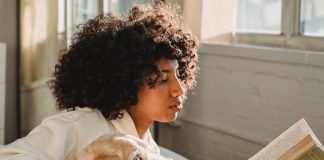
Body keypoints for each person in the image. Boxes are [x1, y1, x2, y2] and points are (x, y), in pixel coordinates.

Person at [0, 0, 199, 159]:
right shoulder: (81, 125)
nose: (179, 90)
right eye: (162, 79)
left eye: (179, 75)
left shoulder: (147, 145)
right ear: (126, 81)